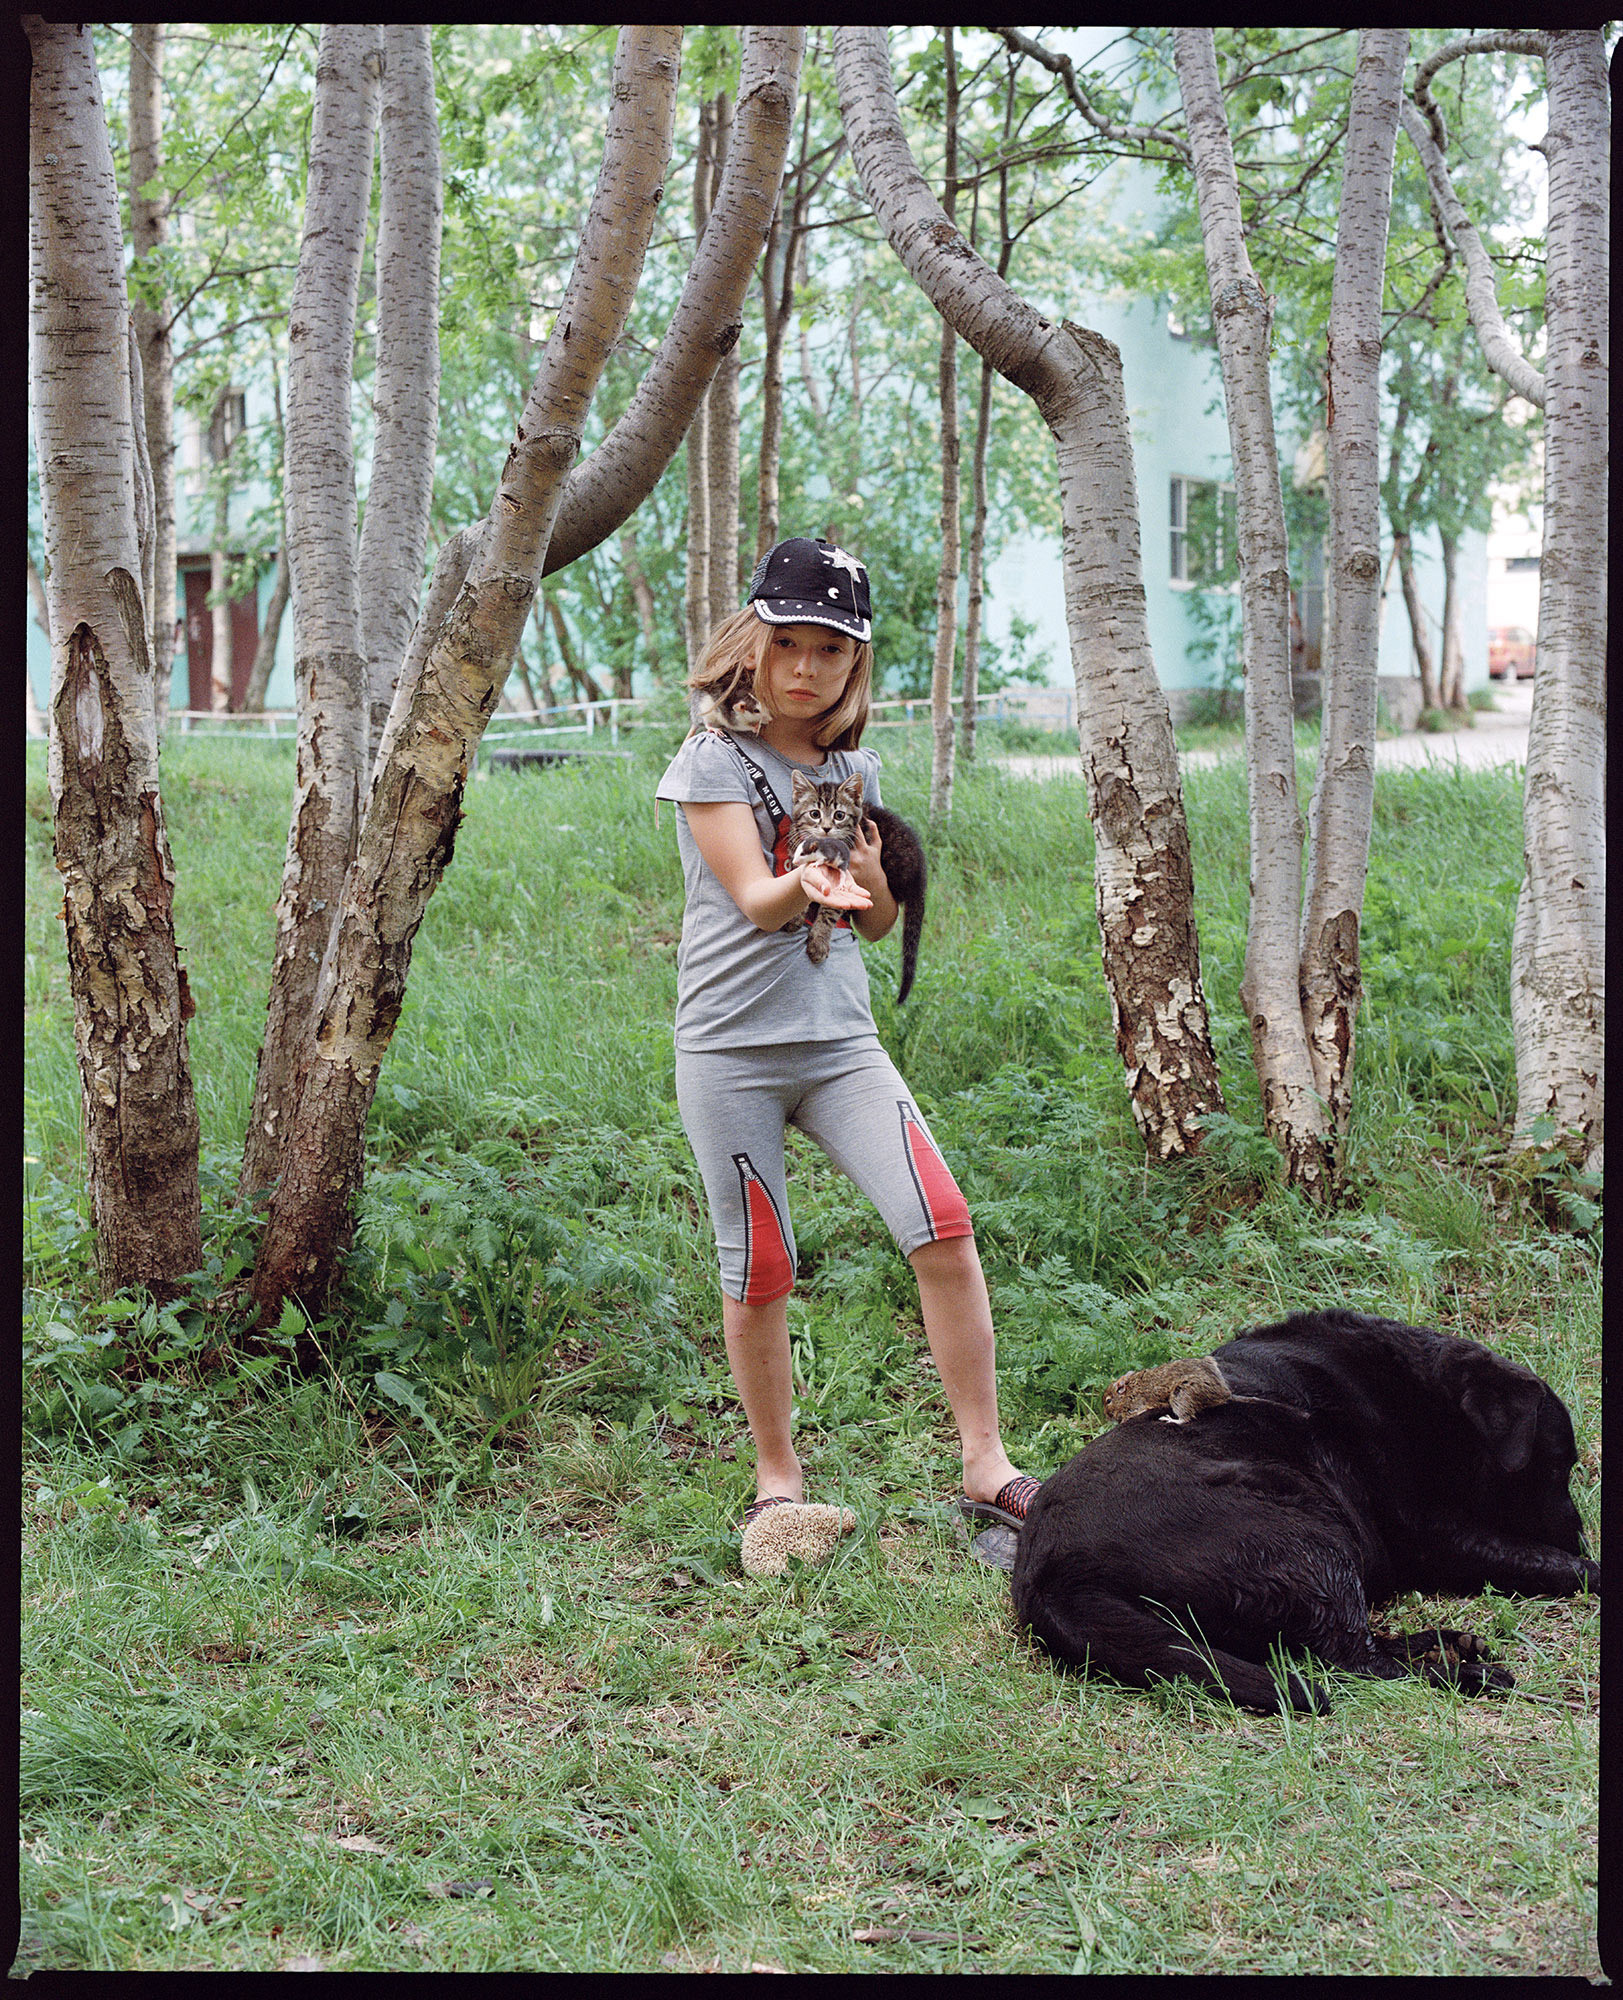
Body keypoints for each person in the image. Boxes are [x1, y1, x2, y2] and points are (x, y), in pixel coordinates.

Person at [655, 535, 1039, 1571]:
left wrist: (863, 877)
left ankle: (985, 1461)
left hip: (838, 1043)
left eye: (831, 649)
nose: (806, 666)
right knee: (761, 1267)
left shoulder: (846, 766)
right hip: (731, 1049)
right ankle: (778, 1482)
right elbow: (756, 895)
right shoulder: (713, 761)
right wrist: (812, 883)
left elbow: (855, 928)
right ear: (754, 640)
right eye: (789, 641)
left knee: (943, 1221)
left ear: (853, 664)